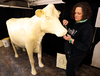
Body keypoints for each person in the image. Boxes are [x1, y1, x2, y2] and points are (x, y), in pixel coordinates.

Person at [62, 2, 94, 76]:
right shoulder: (74, 21)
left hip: (76, 55)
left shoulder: (88, 28)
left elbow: (84, 47)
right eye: (75, 12)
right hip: (69, 52)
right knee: (70, 68)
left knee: (69, 72)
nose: (75, 15)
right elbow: (71, 30)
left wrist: (71, 40)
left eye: (79, 13)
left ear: (85, 14)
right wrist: (66, 22)